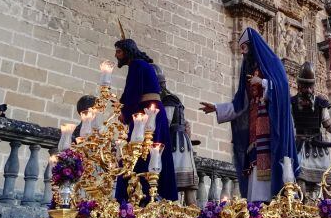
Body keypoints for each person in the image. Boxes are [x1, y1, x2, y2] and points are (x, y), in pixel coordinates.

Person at [199, 28, 298, 202]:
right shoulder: (248, 72)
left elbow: (282, 88)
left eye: (244, 47)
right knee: (254, 164)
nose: (242, 52)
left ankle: (273, 199)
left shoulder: (273, 63)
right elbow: (240, 104)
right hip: (253, 126)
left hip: (270, 125)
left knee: (268, 161)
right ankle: (255, 203)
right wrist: (216, 108)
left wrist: (263, 82)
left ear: (252, 46)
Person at [114, 37, 177, 202]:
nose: (116, 55)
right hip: (154, 111)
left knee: (140, 152)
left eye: (119, 52)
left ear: (127, 51)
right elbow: (130, 91)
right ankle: (158, 193)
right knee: (153, 151)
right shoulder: (143, 65)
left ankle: (139, 195)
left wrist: (125, 112)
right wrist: (121, 103)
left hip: (147, 112)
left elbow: (133, 92)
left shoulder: (136, 65)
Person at [291, 61, 331, 195]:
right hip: (300, 145)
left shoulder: (321, 103)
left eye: (309, 87)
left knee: (324, 180)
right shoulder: (292, 103)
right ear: (299, 86)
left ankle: (325, 203)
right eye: (304, 86)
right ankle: (302, 203)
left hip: (318, 145)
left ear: (313, 87)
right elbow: (289, 124)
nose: (307, 90)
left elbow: (327, 123)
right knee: (300, 177)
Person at [155, 63, 198, 205]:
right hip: (177, 143)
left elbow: (165, 124)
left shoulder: (168, 99)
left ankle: (191, 215)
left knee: (183, 186)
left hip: (176, 145)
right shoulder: (166, 98)